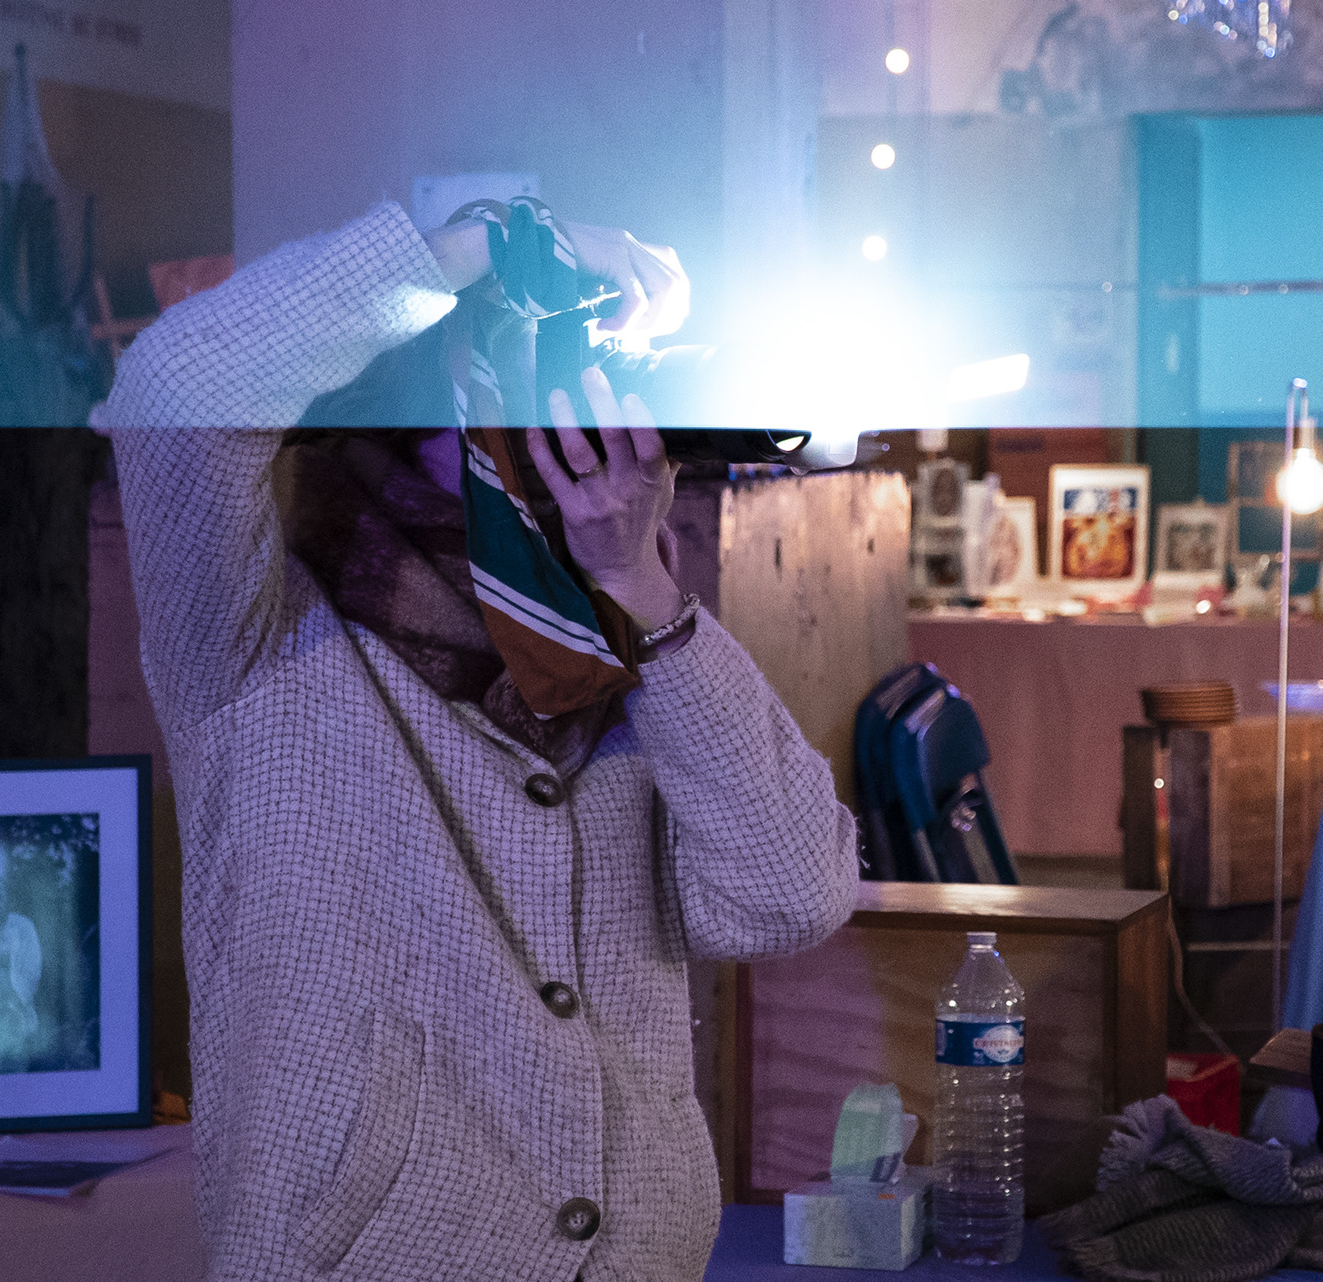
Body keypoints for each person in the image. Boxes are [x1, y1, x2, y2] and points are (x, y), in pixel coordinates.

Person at [94, 198, 858, 1280]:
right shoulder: (254, 641)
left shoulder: (611, 647)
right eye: (498, 379)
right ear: (391, 414)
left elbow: (787, 895)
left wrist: (643, 590)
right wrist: (481, 244)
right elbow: (176, 386)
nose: (543, 423)